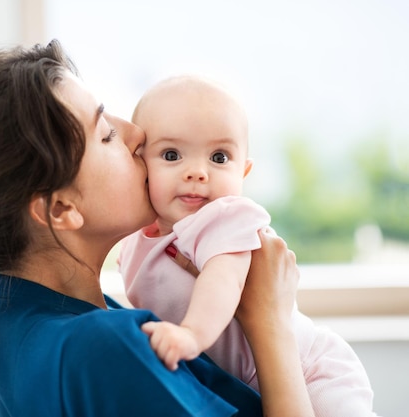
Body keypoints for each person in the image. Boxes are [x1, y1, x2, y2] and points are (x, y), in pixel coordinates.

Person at [0, 40, 315, 417]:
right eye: (105, 134)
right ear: (61, 209)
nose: (137, 133)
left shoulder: (10, 309)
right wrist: (269, 321)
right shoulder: (105, 350)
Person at [118, 75, 377, 416]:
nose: (197, 172)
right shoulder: (135, 239)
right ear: (139, 162)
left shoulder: (224, 217)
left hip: (310, 367)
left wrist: (192, 336)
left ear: (244, 171)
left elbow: (223, 279)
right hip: (252, 381)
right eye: (171, 154)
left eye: (220, 158)